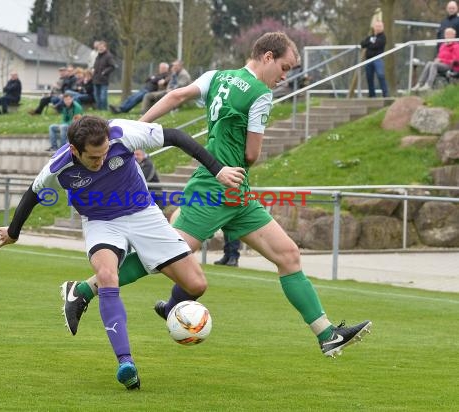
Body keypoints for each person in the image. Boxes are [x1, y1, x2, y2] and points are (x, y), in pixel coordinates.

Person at [66, 32, 372, 360]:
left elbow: (174, 97)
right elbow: (252, 155)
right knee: (162, 256)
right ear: (267, 57)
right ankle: (84, 289)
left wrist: (135, 129)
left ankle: (327, 334)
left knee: (288, 255)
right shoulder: (260, 94)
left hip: (236, 193)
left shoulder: (218, 76)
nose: (285, 76)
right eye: (284, 67)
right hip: (215, 188)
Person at [0, 115, 244, 390]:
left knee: (196, 284)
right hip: (101, 222)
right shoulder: (58, 167)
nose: (100, 162)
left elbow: (174, 136)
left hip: (144, 214)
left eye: (104, 154)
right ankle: (126, 362)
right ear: (75, 150)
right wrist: (13, 232)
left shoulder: (121, 133)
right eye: (93, 158)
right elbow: (33, 194)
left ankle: (131, 301)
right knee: (107, 275)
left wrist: (218, 170)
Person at [360, 21, 389, 98]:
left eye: (380, 26)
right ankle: (372, 94)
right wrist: (370, 42)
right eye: (377, 26)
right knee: (369, 77)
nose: (378, 28)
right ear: (374, 27)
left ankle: (385, 94)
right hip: (368, 59)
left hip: (377, 59)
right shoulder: (370, 37)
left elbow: (378, 45)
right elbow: (363, 44)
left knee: (380, 75)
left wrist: (369, 44)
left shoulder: (383, 37)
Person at [92, 41, 117, 110]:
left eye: (102, 47)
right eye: (99, 47)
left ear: (105, 47)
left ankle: (104, 109)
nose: (100, 48)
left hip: (103, 79)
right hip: (96, 79)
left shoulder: (108, 56)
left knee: (103, 96)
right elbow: (95, 65)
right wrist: (93, 70)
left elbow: (113, 66)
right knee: (96, 96)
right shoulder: (98, 56)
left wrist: (104, 72)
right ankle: (99, 109)